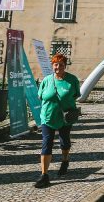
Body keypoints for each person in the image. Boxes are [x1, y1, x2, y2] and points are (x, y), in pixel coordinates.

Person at [35, 53, 81, 188]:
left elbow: (76, 96)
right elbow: (40, 97)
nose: (58, 67)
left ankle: (65, 160)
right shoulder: (46, 80)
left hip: (65, 119)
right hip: (48, 117)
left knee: (64, 141)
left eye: (61, 65)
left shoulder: (72, 80)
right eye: (56, 64)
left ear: (65, 66)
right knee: (46, 143)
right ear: (52, 66)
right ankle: (44, 175)